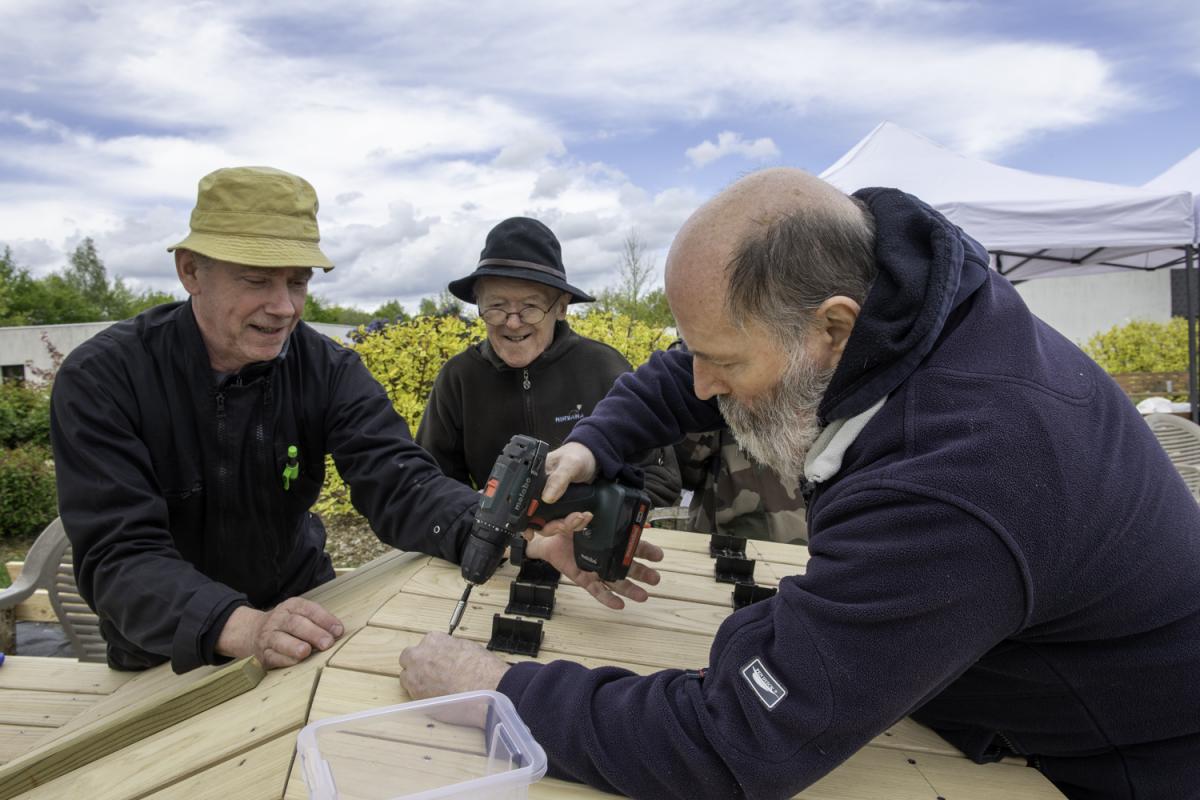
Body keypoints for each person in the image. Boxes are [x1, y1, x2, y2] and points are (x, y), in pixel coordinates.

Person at [397, 168, 1200, 799]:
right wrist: (591, 448)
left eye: (725, 362)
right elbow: (686, 371)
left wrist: (498, 691)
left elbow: (733, 743)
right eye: (697, 351)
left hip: (1119, 765)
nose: (700, 385)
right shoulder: (907, 306)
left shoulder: (956, 474)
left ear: (834, 328)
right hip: (993, 693)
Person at [49, 167, 659, 674]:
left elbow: (402, 482)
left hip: (305, 620)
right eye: (257, 280)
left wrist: (511, 535)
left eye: (298, 282)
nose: (283, 307)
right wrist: (242, 626)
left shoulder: (326, 367)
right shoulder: (104, 379)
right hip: (165, 654)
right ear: (190, 271)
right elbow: (119, 556)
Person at [416, 216, 680, 507]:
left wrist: (577, 512)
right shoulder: (459, 377)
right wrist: (479, 513)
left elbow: (660, 481)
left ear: (561, 307)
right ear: (479, 304)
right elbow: (430, 485)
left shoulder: (604, 368)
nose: (512, 323)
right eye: (496, 306)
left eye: (530, 307)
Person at [667, 340, 807, 543]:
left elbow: (685, 469)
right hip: (796, 537)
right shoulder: (807, 371)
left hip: (736, 538)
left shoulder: (724, 394)